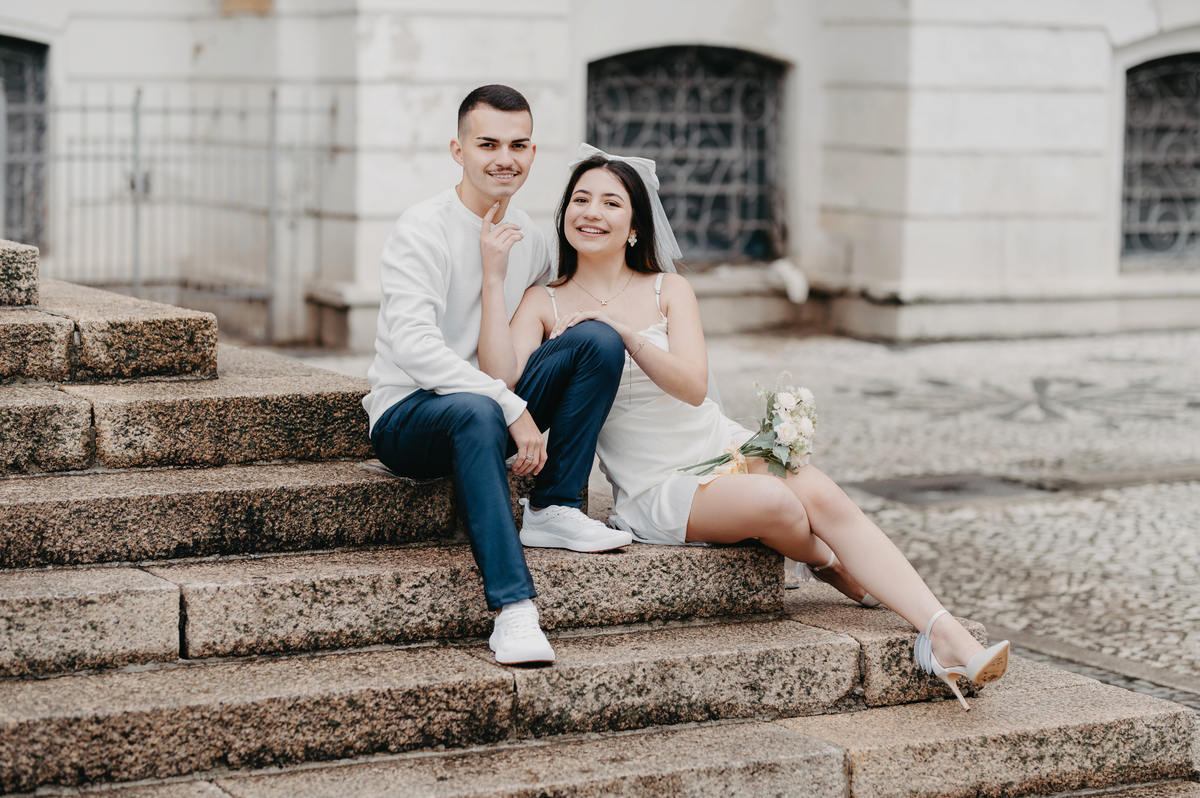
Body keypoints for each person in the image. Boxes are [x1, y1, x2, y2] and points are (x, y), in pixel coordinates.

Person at [476, 144, 1010, 709]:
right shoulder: (544, 301)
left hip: (717, 441)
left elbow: (692, 387)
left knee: (823, 494)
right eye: (580, 200)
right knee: (777, 503)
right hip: (659, 483)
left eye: (611, 203)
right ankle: (827, 561)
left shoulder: (668, 289)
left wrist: (627, 334)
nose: (592, 212)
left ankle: (945, 635)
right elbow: (501, 379)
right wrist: (493, 278)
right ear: (564, 215)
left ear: (634, 227)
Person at [362, 90, 633, 667]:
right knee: (479, 409)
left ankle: (553, 506)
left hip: (493, 401)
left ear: (532, 152)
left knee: (597, 340)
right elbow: (413, 347)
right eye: (488, 144)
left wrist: (582, 318)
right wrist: (510, 405)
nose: (504, 158)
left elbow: (537, 324)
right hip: (411, 417)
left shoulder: (530, 236)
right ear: (458, 150)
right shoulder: (423, 229)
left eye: (517, 145)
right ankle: (514, 608)